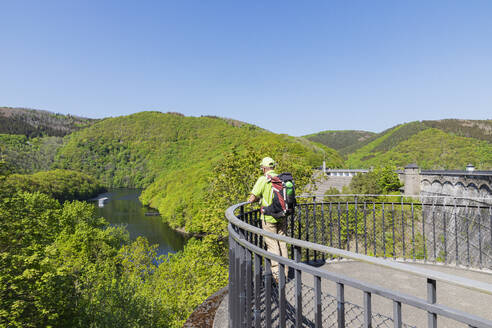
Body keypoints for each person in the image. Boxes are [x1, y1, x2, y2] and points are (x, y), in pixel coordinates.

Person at [248, 156, 289, 281]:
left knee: (272, 245)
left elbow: (252, 198)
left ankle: (277, 276)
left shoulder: (263, 179)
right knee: (282, 243)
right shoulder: (281, 179)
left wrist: (252, 200)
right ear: (273, 167)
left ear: (264, 168)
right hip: (282, 216)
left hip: (268, 217)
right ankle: (286, 273)